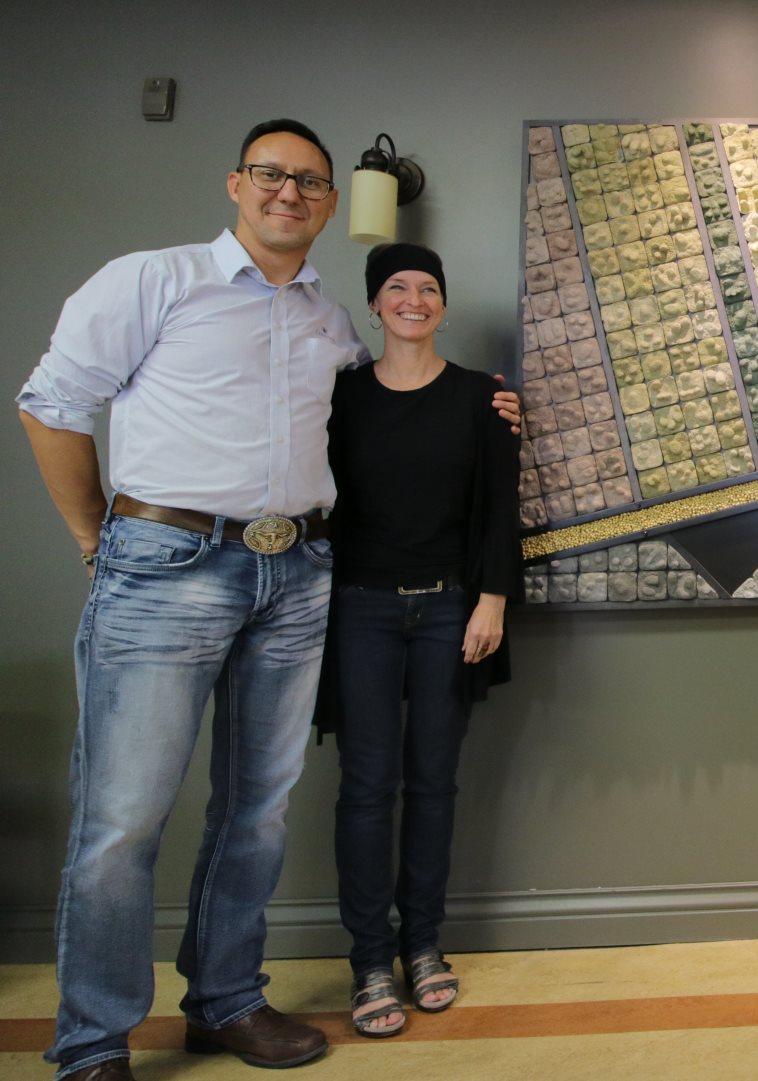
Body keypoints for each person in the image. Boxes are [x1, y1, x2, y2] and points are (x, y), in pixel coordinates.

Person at [17, 120, 518, 1081]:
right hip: (167, 564)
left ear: (330, 204)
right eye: (271, 175)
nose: (290, 193)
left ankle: (225, 999)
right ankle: (93, 1040)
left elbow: (391, 411)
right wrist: (96, 539)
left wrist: (490, 403)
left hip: (296, 575)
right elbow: (51, 402)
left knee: (256, 810)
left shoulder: (330, 321)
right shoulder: (153, 281)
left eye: (310, 182)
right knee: (123, 819)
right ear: (236, 184)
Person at [321, 244, 520, 1038]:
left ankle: (423, 944)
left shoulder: (483, 398)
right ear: (374, 304)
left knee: (434, 782)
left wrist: (492, 600)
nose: (413, 298)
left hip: (450, 611)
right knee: (367, 785)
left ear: (443, 303)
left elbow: (501, 506)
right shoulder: (338, 395)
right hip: (359, 610)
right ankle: (370, 959)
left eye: (428, 287)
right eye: (397, 287)